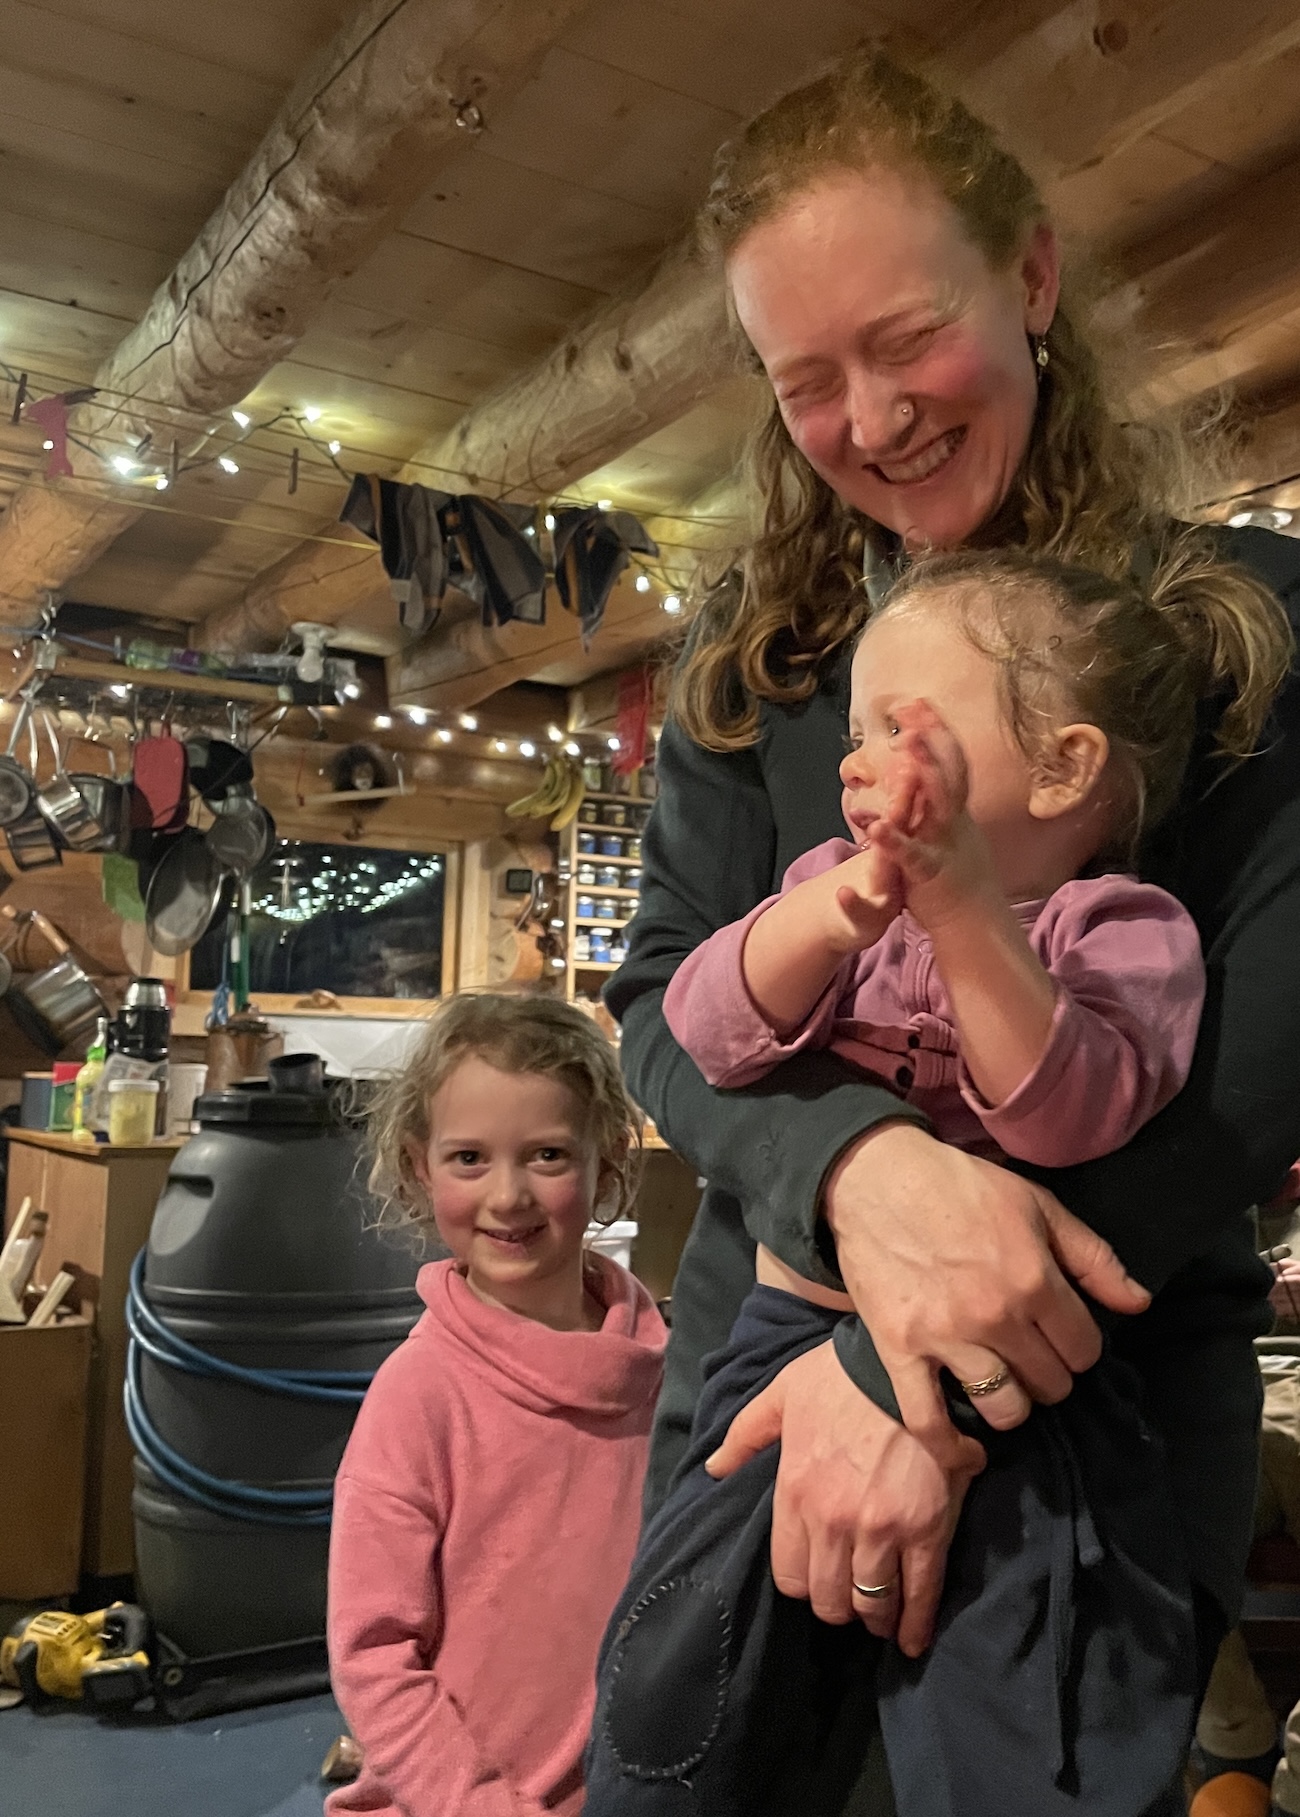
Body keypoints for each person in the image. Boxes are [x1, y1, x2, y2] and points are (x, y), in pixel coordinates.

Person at [599, 45, 1300, 1816]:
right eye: (808, 380)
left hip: (1098, 1412)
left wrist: (896, 1381)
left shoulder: (1245, 630)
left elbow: (1252, 1080)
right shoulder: (748, 666)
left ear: (1035, 277)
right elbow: (659, 1007)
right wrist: (854, 1170)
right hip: (758, 1370)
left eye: (909, 339)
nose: (875, 417)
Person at [326, 994, 666, 1817]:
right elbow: (373, 1655)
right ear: (419, 1165)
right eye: (469, 1158)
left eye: (547, 1153)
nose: (508, 1195)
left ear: (605, 1159)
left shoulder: (669, 1371)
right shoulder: (418, 1396)